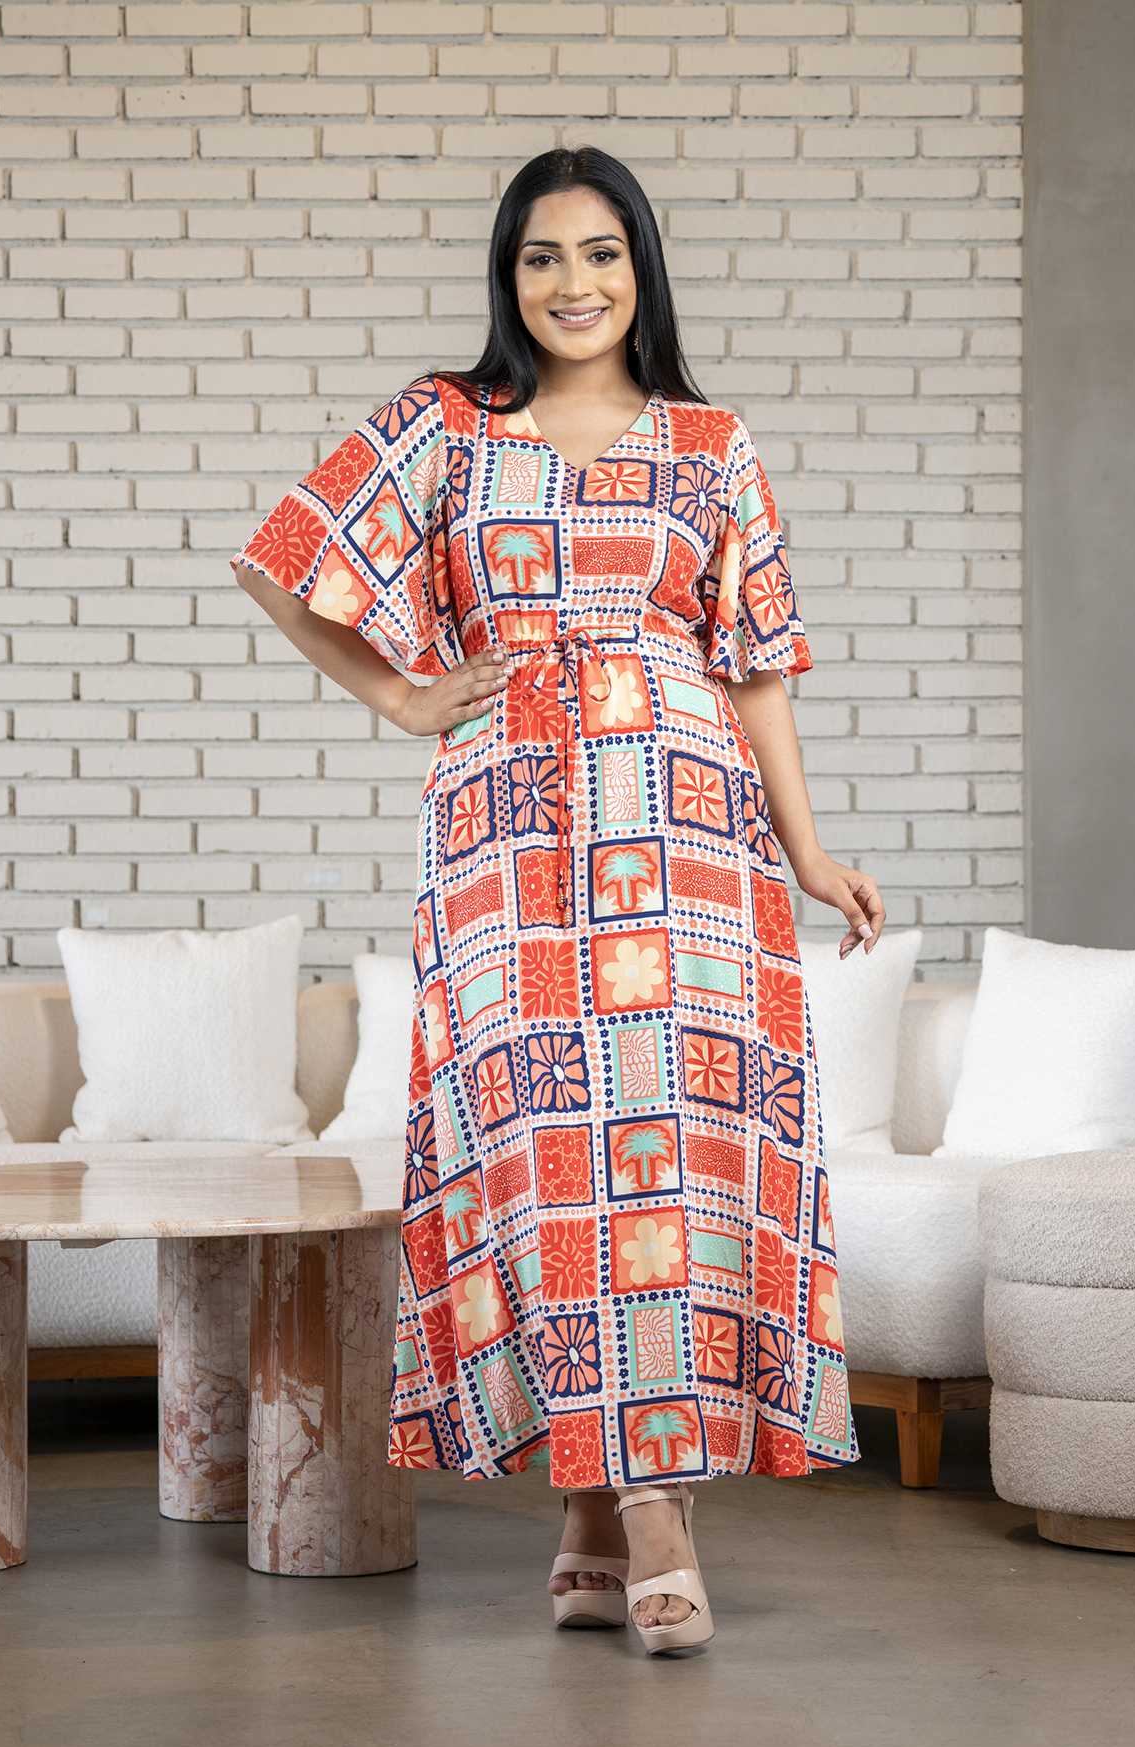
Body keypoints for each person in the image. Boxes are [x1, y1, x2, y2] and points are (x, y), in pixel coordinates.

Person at [233, 145, 884, 1656]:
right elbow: (283, 561)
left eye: (601, 254)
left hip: (690, 829)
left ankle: (637, 1514)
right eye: (542, 257)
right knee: (544, 1160)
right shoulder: (445, 425)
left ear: (640, 269)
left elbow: (756, 665)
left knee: (672, 1163)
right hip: (508, 846)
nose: (574, 283)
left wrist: (805, 850)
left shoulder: (711, 444)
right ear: (507, 275)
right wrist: (404, 697)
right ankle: (607, 1506)